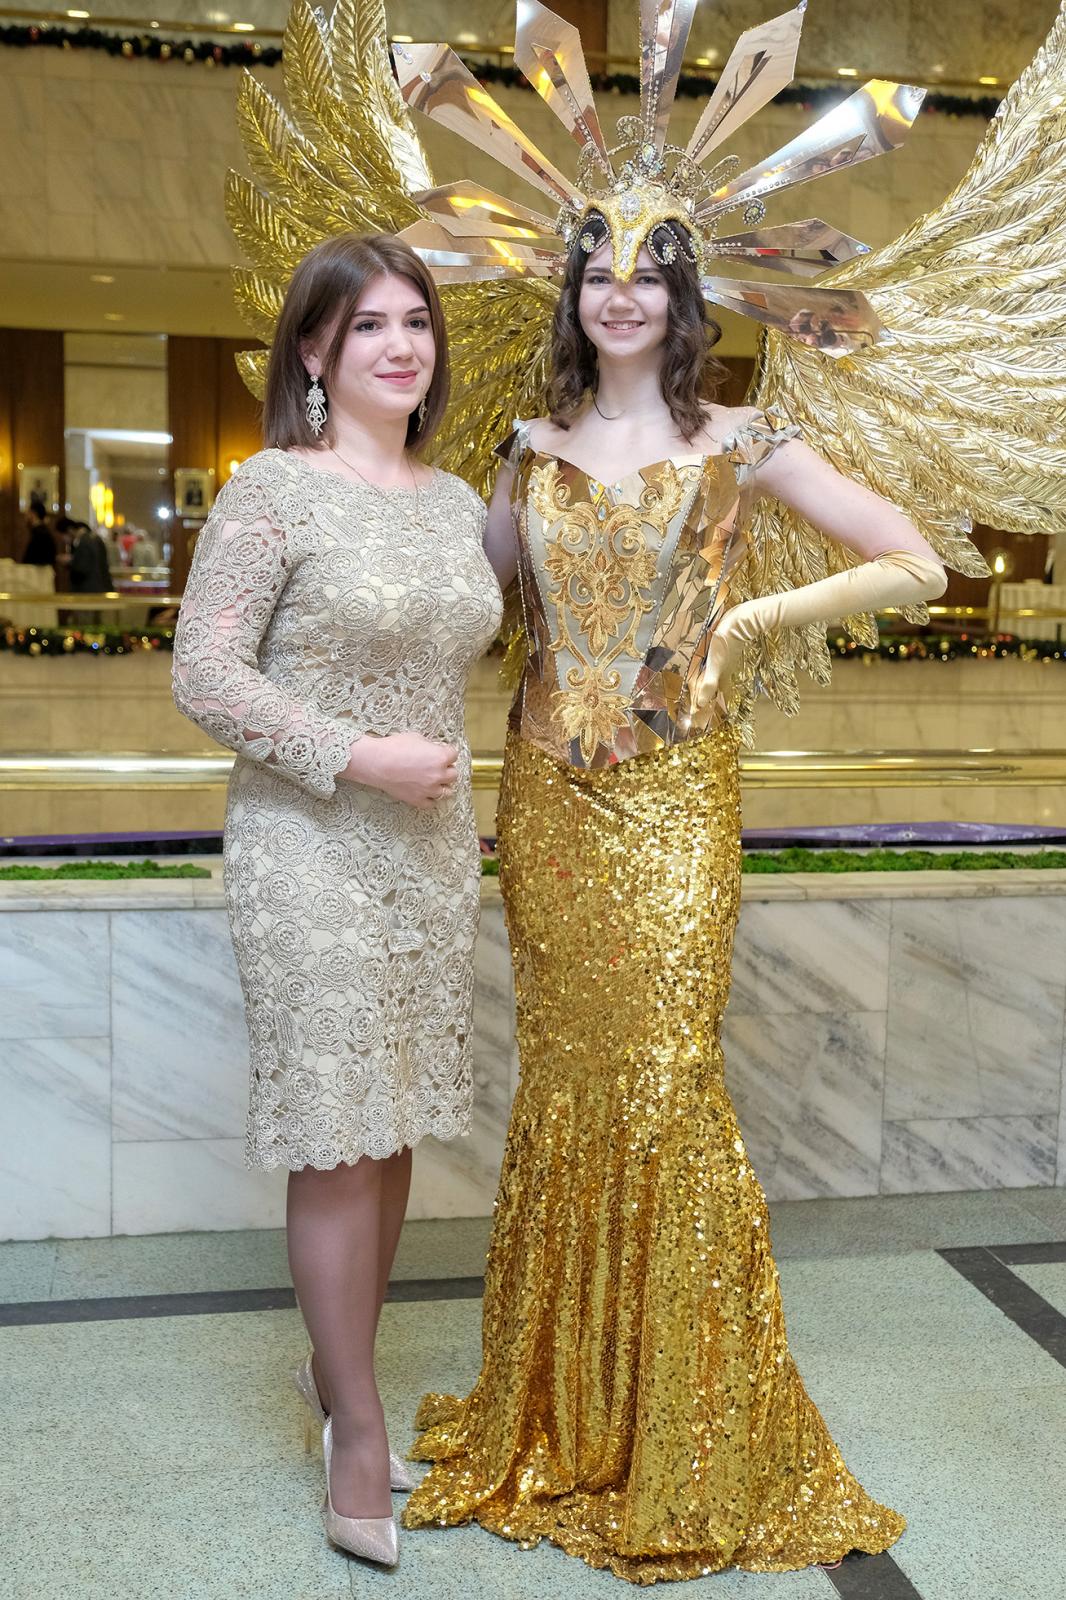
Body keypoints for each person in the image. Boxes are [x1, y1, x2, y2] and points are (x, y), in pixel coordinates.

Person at [401, 216, 946, 1580]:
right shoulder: (526, 448)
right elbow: (459, 607)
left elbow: (918, 562)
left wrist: (749, 623)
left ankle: (683, 1431)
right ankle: (563, 1409)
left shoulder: (745, 441)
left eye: (648, 274)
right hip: (545, 798)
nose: (621, 295)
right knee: (566, 1076)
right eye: (599, 273)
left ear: (683, 296)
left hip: (677, 798)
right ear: (572, 296)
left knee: (662, 1077)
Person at [172, 232, 502, 1566]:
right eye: (367, 324)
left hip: (430, 850)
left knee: (391, 1118)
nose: (399, 344)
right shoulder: (272, 490)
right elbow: (204, 673)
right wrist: (357, 754)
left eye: (415, 320)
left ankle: (336, 1368)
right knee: (334, 1132)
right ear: (313, 350)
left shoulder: (457, 500)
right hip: (306, 844)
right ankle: (356, 1429)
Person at [67, 521, 114, 594]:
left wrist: (71, 562)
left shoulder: (84, 542)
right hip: (101, 584)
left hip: (89, 587)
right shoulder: (96, 539)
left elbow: (82, 567)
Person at [20, 503, 56, 569]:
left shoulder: (40, 533)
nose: (25, 515)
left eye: (28, 512)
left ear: (33, 514)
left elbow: (32, 559)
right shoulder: (40, 531)